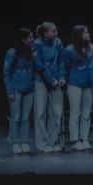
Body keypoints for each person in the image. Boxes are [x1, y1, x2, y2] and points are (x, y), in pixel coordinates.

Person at [32, 21, 65, 152]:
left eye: (56, 31)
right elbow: (39, 64)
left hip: (56, 80)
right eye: (53, 31)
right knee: (40, 113)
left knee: (56, 113)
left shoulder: (58, 42)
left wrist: (62, 77)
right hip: (41, 81)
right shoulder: (37, 44)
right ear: (45, 33)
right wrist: (51, 80)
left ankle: (53, 141)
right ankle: (43, 143)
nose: (56, 33)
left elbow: (62, 61)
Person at [3, 28, 34, 154]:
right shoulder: (12, 52)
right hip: (16, 89)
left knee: (26, 117)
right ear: (23, 39)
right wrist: (10, 91)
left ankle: (25, 142)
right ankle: (15, 143)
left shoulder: (32, 51)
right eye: (30, 37)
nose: (32, 40)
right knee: (16, 117)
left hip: (29, 89)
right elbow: (6, 73)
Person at [63, 25, 93, 150]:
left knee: (86, 114)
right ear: (79, 34)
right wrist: (65, 84)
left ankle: (84, 138)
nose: (88, 34)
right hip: (74, 84)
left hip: (88, 85)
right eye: (86, 32)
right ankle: (75, 140)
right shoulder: (69, 50)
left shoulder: (91, 48)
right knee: (75, 112)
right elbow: (65, 67)